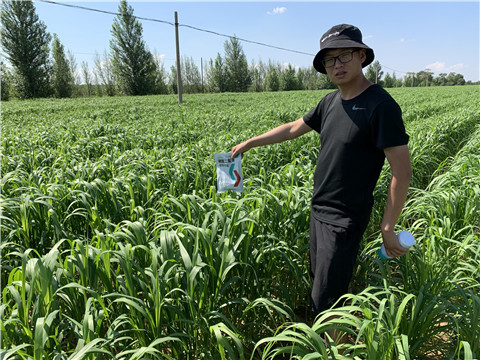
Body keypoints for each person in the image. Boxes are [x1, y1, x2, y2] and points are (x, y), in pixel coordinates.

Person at [231, 23, 412, 332]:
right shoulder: (329, 102)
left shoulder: (380, 106)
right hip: (319, 211)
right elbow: (292, 128)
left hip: (345, 218)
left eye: (343, 56)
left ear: (362, 56)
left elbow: (402, 172)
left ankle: (329, 346)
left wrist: (387, 228)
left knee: (325, 303)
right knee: (323, 287)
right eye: (329, 60)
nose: (336, 65)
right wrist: (249, 143)